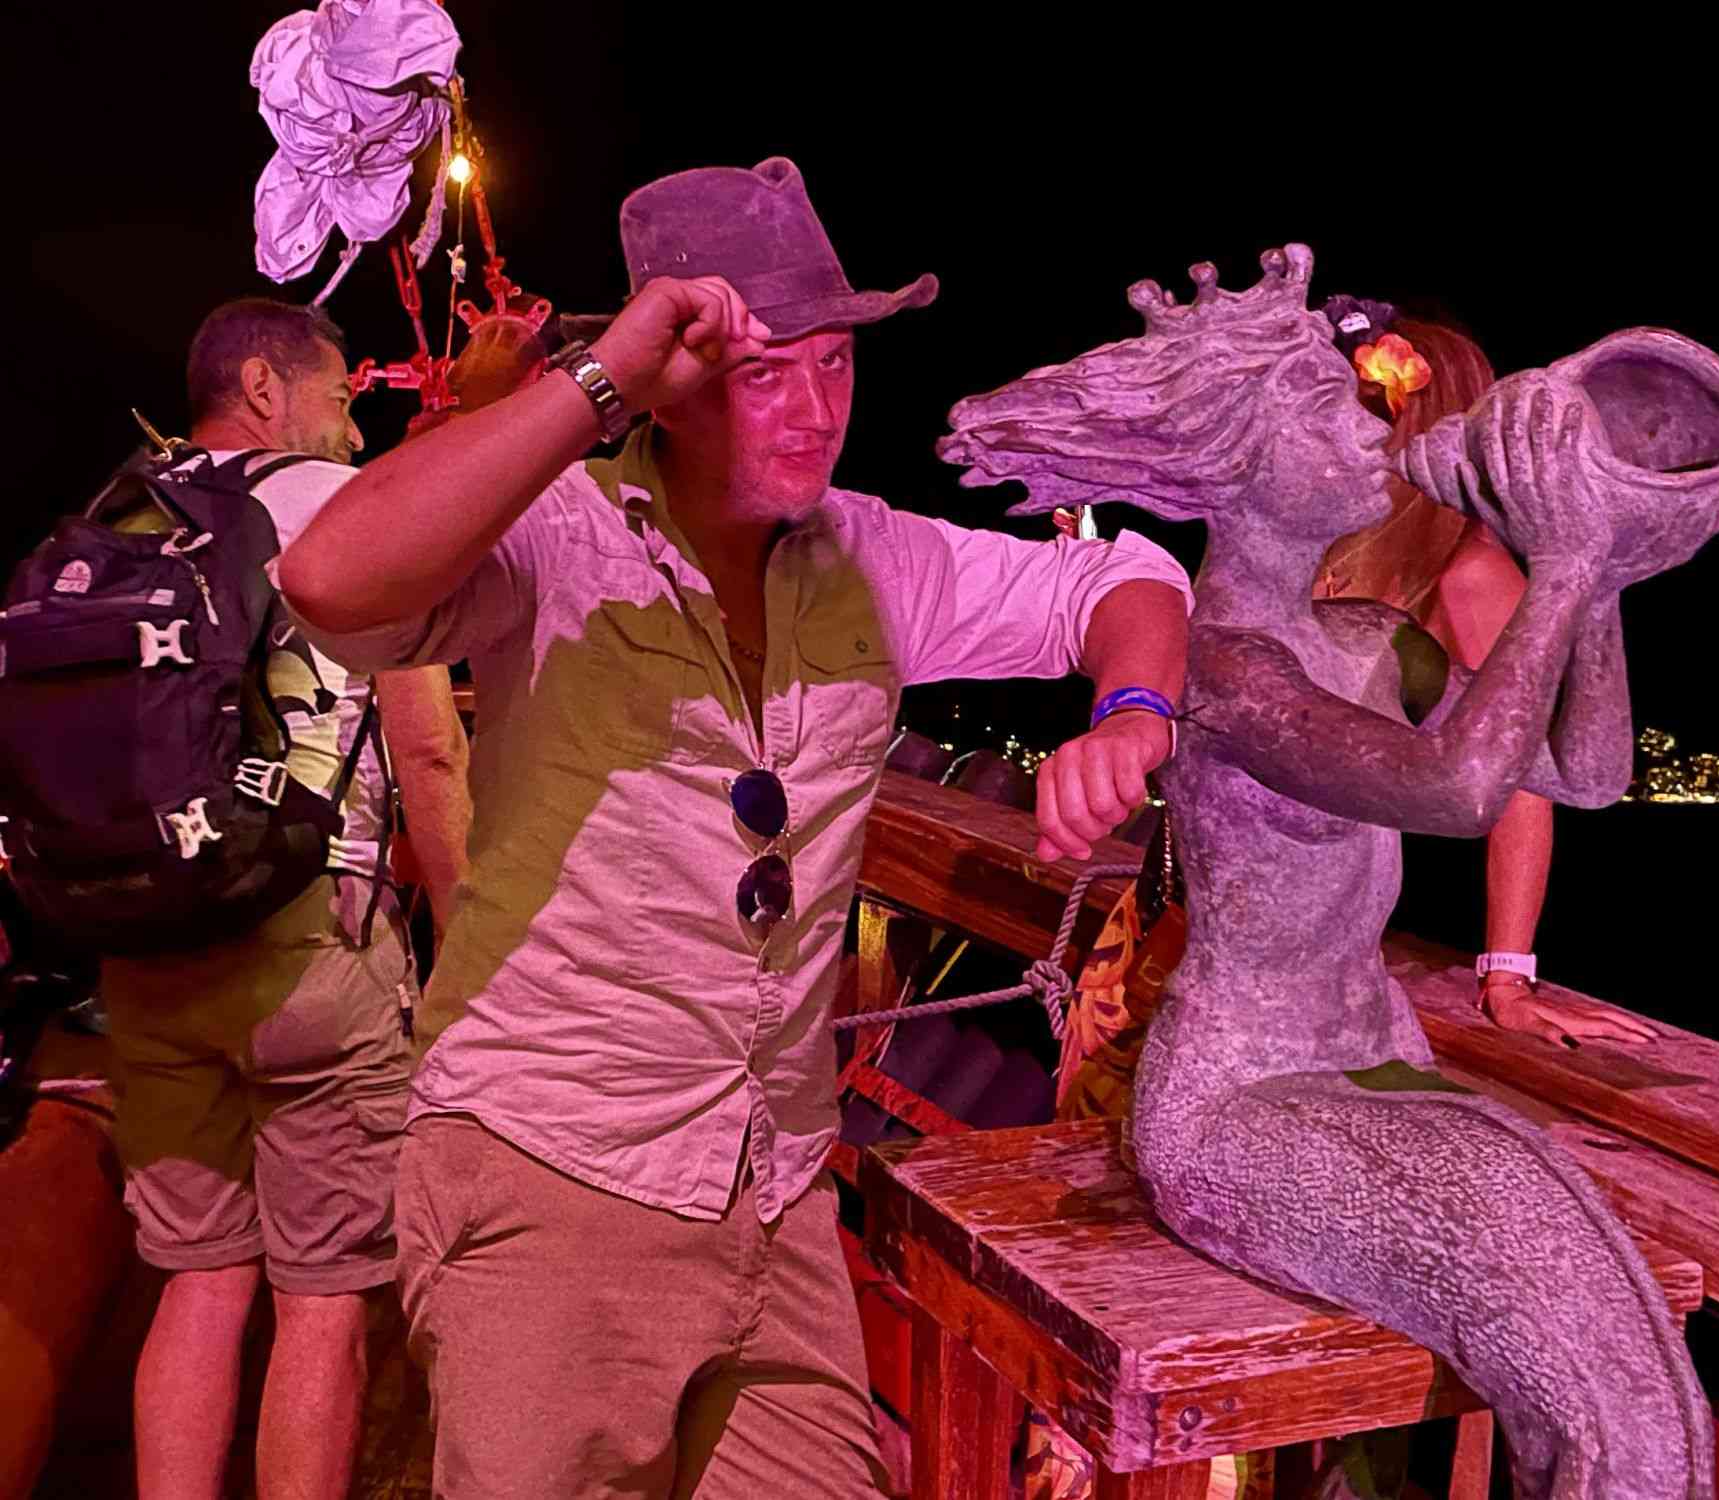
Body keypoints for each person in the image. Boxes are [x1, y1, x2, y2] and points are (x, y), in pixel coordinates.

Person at [276, 158, 1193, 1498]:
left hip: (773, 1194)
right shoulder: (557, 536)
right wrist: (593, 380)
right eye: (767, 374)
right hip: (551, 1174)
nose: (816, 412)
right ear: (668, 379)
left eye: (836, 364)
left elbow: (1119, 578)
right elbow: (327, 579)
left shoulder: (870, 556)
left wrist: (1128, 717)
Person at [101, 298, 467, 1500]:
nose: (353, 430)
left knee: (199, 1278)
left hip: (142, 936)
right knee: (322, 1298)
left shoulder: (119, 511)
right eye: (340, 398)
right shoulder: (348, 509)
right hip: (310, 945)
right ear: (265, 388)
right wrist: (469, 952)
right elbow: (428, 752)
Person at [1316, 311, 1654, 1050]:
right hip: (1243, 900)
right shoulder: (1329, 542)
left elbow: (1520, 784)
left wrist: (1507, 978)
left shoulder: (1469, 575)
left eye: (1359, 404)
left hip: (1353, 922)